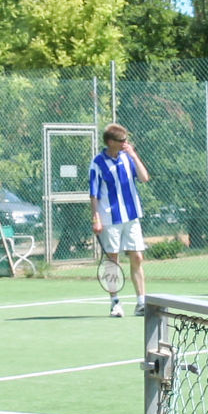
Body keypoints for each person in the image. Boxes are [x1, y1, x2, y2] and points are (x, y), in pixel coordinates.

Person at [89, 123, 151, 318]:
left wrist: (134, 155)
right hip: (110, 218)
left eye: (126, 140)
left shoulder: (127, 157)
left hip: (132, 216)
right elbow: (94, 193)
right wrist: (96, 218)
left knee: (137, 257)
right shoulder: (98, 163)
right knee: (112, 261)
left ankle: (141, 302)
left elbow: (144, 178)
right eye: (121, 140)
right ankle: (115, 303)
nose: (125, 143)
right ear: (110, 142)